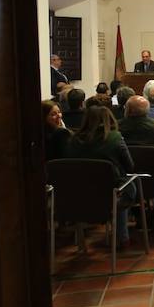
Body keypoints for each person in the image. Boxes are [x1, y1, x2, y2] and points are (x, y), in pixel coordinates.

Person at [64, 106, 135, 247]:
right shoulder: (115, 137)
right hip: (111, 190)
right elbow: (130, 166)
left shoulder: (73, 140)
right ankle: (122, 236)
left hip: (79, 191)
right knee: (127, 187)